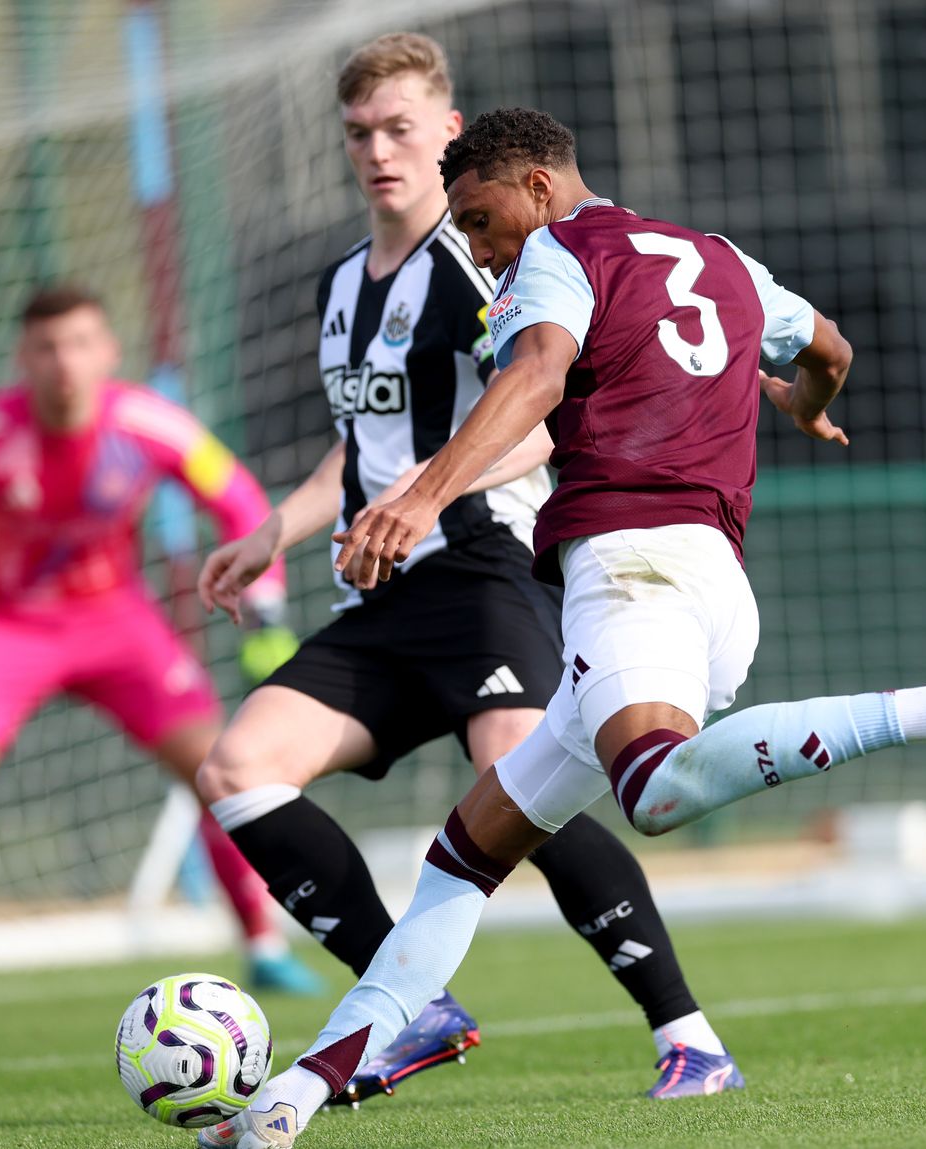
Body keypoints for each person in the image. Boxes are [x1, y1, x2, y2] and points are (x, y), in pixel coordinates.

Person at [198, 106, 926, 1148]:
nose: (483, 249)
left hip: (632, 569)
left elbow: (533, 378)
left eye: (484, 219)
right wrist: (804, 403)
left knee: (655, 793)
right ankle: (288, 1105)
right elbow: (833, 346)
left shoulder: (560, 251)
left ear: (538, 186)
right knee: (461, 860)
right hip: (704, 584)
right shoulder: (721, 259)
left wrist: (420, 497)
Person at [193, 34, 737, 1104]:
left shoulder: (482, 262)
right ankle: (414, 1005)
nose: (377, 151)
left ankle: (689, 1035)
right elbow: (368, 444)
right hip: (383, 595)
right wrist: (280, 525)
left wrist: (431, 492)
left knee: (521, 791)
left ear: (449, 133)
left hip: (483, 574)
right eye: (359, 133)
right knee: (236, 770)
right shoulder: (343, 283)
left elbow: (539, 418)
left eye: (400, 129)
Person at [0, 286, 322, 1022]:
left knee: (222, 768)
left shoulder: (147, 422)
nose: (64, 362)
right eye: (46, 347)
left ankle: (263, 947)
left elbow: (238, 498)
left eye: (79, 343)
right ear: (22, 358)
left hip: (115, 623)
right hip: (2, 630)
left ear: (108, 351)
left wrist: (264, 612)